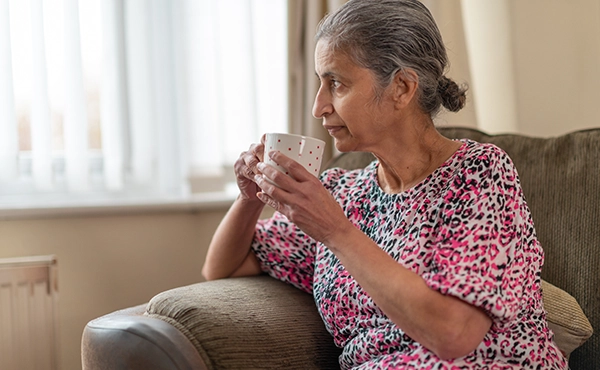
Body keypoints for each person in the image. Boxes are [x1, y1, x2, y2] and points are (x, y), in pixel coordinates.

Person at [202, 0, 568, 368]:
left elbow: (456, 334)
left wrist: (336, 232)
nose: (319, 106)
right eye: (319, 83)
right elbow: (224, 268)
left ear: (402, 88)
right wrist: (251, 197)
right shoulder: (342, 194)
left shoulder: (478, 173)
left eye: (337, 83)